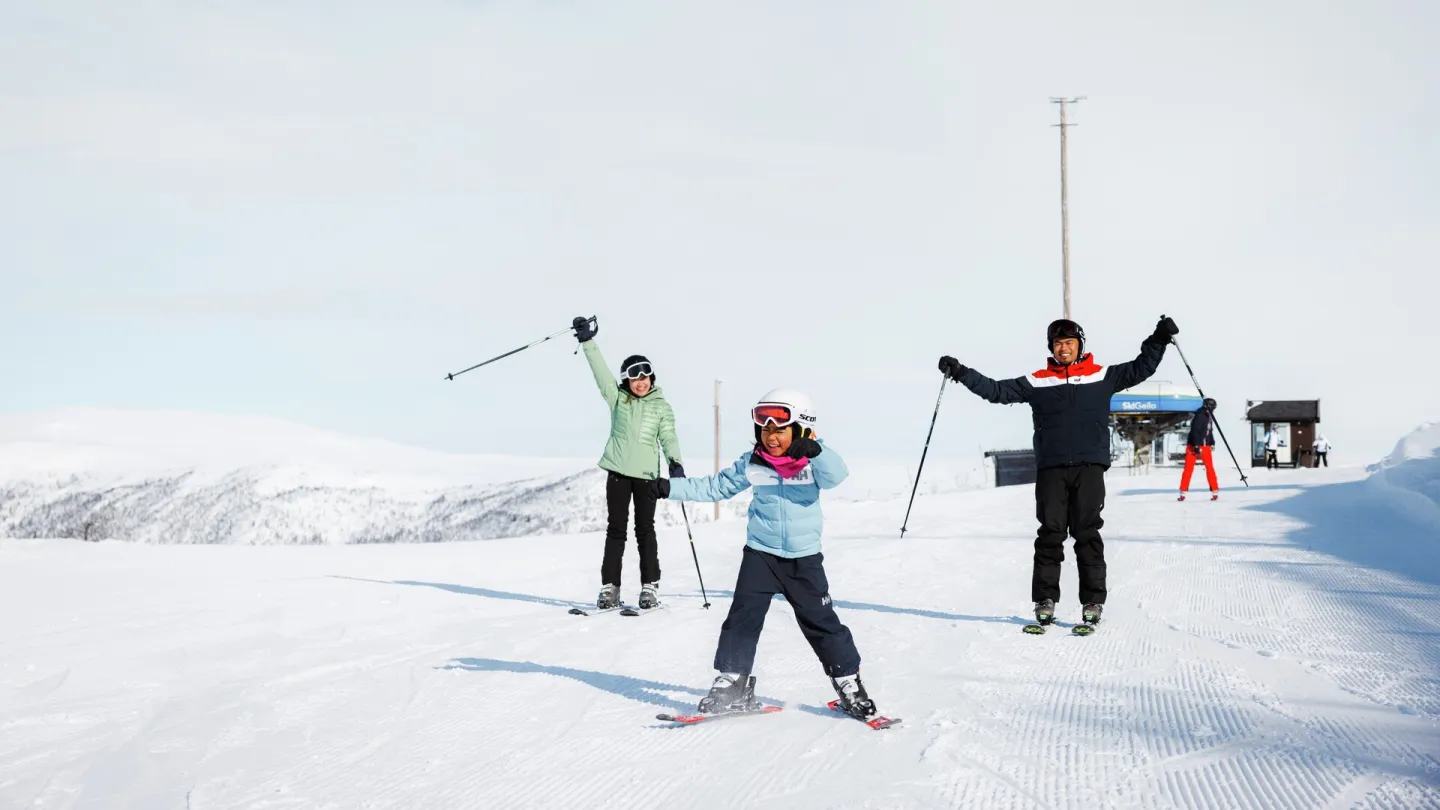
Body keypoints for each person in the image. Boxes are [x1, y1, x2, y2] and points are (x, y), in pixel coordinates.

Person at [648, 389, 880, 720]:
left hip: (803, 560)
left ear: (800, 428)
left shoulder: (814, 461)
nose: (771, 437)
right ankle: (733, 681)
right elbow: (716, 487)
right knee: (742, 619)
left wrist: (817, 451)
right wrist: (670, 488)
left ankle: (848, 683)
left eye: (780, 430)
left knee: (822, 623)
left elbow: (837, 475)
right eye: (765, 430)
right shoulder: (754, 462)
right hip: (760, 555)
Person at [937, 315, 1178, 630]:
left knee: (1086, 533)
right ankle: (1045, 600)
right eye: (1058, 344)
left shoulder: (1102, 376)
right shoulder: (1038, 381)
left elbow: (1142, 367)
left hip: (1090, 467)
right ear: (1051, 348)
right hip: (1052, 468)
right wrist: (962, 373)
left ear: (1080, 346)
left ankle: (1092, 601)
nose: (1063, 348)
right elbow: (996, 391)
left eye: (1069, 343)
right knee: (1050, 534)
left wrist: (1158, 339)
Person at [572, 316, 683, 611]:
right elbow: (601, 373)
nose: (641, 382)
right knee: (615, 530)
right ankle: (610, 588)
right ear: (627, 381)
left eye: (645, 377)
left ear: (652, 378)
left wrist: (675, 463)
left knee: (645, 530)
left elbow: (668, 437)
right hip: (619, 473)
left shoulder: (661, 406)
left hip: (647, 476)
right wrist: (587, 341)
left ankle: (650, 587)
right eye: (635, 378)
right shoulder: (617, 398)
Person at [1179, 398, 1220, 501]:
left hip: (1205, 446)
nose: (1214, 410)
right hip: (1193, 446)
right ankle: (1183, 492)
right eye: (1213, 408)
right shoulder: (1200, 416)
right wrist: (1196, 445)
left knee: (1210, 468)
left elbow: (1209, 431)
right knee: (1188, 469)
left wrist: (1212, 442)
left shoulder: (1208, 416)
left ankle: (1215, 491)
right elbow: (1195, 431)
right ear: (1208, 407)